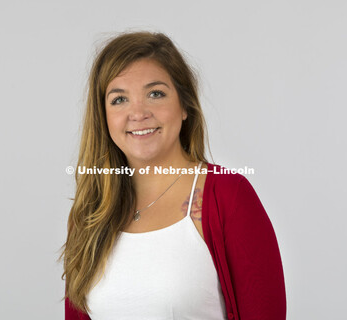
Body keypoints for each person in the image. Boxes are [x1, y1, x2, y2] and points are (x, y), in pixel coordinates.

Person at [59, 31, 286, 320]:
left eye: (155, 94)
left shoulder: (227, 197)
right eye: (119, 100)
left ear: (184, 106)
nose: (138, 113)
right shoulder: (91, 214)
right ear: (102, 117)